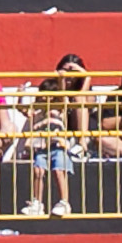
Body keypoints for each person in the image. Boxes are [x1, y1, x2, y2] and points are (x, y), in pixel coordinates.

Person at [22, 54, 93, 217]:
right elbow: (25, 110)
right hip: (42, 145)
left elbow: (64, 96)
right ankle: (36, 202)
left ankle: (64, 201)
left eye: (72, 72)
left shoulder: (62, 102)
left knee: (59, 170)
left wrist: (83, 74)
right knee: (38, 171)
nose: (68, 75)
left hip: (60, 141)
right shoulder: (42, 106)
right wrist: (21, 95)